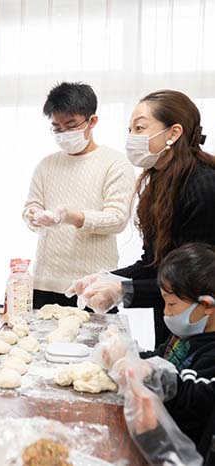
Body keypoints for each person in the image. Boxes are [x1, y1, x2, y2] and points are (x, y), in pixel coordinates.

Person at [67, 90, 215, 346]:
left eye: (140, 128)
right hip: (171, 319)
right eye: (130, 130)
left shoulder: (203, 185)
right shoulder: (159, 183)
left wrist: (123, 291)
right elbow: (153, 263)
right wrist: (107, 278)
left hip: (201, 325)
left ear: (174, 133)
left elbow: (191, 279)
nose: (131, 138)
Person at [22, 81, 135, 310]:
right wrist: (34, 216)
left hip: (93, 284)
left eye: (70, 125)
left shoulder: (115, 163)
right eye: (57, 128)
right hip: (45, 281)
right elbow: (29, 209)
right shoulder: (47, 164)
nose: (63, 134)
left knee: (93, 343)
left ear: (92, 121)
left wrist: (73, 218)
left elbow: (117, 219)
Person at [100, 243, 215, 450]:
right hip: (155, 433)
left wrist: (151, 374)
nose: (166, 313)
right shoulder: (186, 334)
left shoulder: (210, 351)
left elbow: (195, 399)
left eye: (172, 304)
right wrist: (128, 353)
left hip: (179, 450)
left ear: (206, 305)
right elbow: (160, 358)